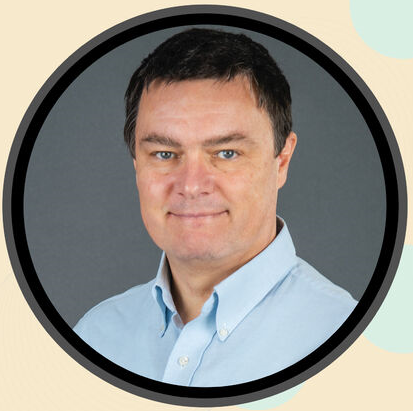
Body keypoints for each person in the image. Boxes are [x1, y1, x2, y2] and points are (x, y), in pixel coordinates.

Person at [74, 28, 357, 387]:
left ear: (282, 160)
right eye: (164, 154)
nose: (191, 185)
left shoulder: (346, 339)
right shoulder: (94, 338)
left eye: (226, 153)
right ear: (136, 165)